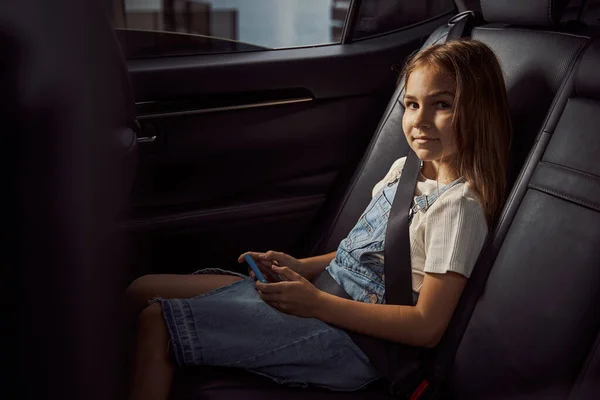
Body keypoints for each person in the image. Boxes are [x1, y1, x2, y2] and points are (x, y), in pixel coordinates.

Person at [124, 39, 512, 400]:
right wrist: (299, 266)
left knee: (157, 323)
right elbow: (361, 252)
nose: (420, 120)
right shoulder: (405, 170)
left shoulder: (458, 208)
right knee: (142, 288)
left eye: (441, 105)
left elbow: (427, 327)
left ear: (479, 111)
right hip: (323, 297)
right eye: (411, 104)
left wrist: (316, 304)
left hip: (353, 343)